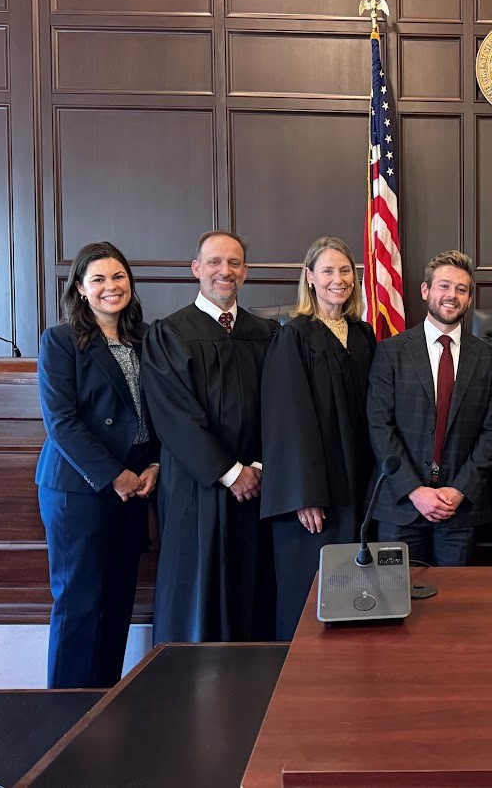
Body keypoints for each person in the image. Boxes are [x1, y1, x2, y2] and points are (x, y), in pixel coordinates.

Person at [142, 230, 278, 643]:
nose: (225, 271)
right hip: (196, 487)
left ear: (246, 272)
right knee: (197, 591)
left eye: (234, 263)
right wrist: (230, 471)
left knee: (253, 588)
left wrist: (255, 466)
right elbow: (174, 417)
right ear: (197, 269)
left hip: (257, 487)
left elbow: (280, 409)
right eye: (215, 262)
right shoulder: (169, 333)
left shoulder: (267, 333)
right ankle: (193, 693)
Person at [35, 241, 159, 687]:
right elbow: (62, 423)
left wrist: (155, 466)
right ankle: (65, 716)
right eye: (99, 279)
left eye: (119, 276)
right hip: (79, 490)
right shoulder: (62, 339)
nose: (112, 287)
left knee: (116, 601)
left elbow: (162, 412)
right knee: (80, 603)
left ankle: (103, 703)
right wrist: (114, 476)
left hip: (135, 487)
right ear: (81, 290)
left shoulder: (146, 338)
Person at [260, 237, 376, 639]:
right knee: (309, 594)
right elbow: (286, 421)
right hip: (315, 489)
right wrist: (304, 493)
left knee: (357, 590)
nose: (337, 279)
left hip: (359, 485)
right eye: (327, 270)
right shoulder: (293, 336)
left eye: (345, 271)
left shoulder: (363, 335)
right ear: (309, 278)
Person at [367, 250, 492, 565]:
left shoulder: (489, 359)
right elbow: (379, 427)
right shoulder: (391, 352)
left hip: (459, 509)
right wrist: (414, 490)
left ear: (469, 298)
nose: (452, 296)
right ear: (426, 291)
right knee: (395, 604)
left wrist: (459, 490)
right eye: (444, 286)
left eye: (461, 289)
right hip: (400, 504)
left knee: (455, 609)